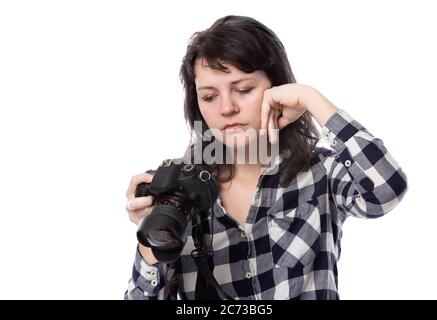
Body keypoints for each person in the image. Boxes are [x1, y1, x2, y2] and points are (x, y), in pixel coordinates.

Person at [124, 15, 408, 300]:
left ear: (278, 88)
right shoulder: (181, 193)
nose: (227, 108)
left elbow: (386, 189)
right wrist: (152, 242)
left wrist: (310, 99)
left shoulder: (321, 173)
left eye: (244, 90)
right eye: (209, 96)